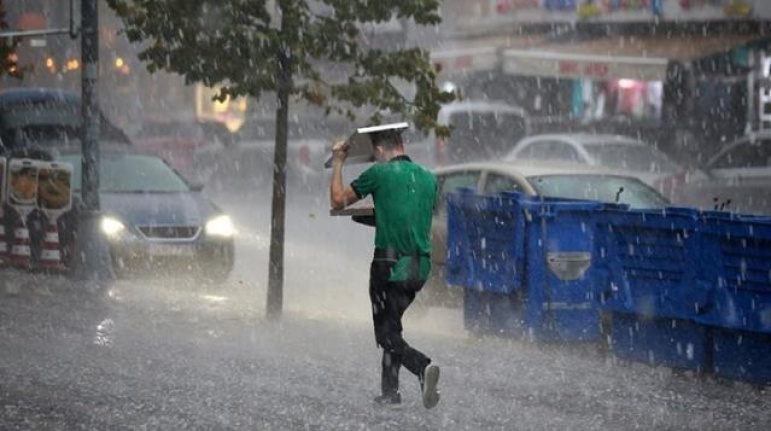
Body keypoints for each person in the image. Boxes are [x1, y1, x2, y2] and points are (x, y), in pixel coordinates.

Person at [329, 128, 441, 409]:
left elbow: (337, 200)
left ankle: (421, 366)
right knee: (393, 326)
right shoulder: (429, 178)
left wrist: (339, 161)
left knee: (385, 334)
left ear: (379, 151)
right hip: (419, 267)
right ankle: (390, 393)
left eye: (374, 155)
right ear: (402, 144)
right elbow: (411, 216)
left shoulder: (378, 174)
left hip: (389, 265)